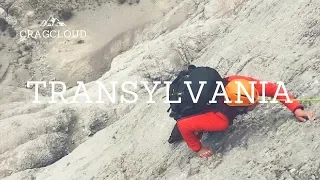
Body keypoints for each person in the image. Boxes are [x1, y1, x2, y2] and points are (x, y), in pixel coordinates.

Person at [176, 75, 316, 158]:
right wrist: (198, 149)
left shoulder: (241, 84)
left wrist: (296, 109)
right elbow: (183, 125)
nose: (259, 101)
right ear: (241, 107)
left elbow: (274, 89)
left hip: (211, 100)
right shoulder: (220, 120)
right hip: (197, 111)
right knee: (200, 127)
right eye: (254, 102)